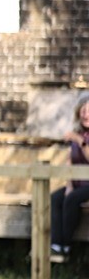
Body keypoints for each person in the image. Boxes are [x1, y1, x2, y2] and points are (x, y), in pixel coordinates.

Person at [51, 92, 89, 264]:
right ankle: (56, 245)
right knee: (56, 198)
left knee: (72, 200)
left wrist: (79, 140)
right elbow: (70, 161)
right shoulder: (78, 134)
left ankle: (66, 245)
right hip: (77, 182)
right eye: (83, 111)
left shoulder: (79, 137)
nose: (85, 115)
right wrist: (69, 185)